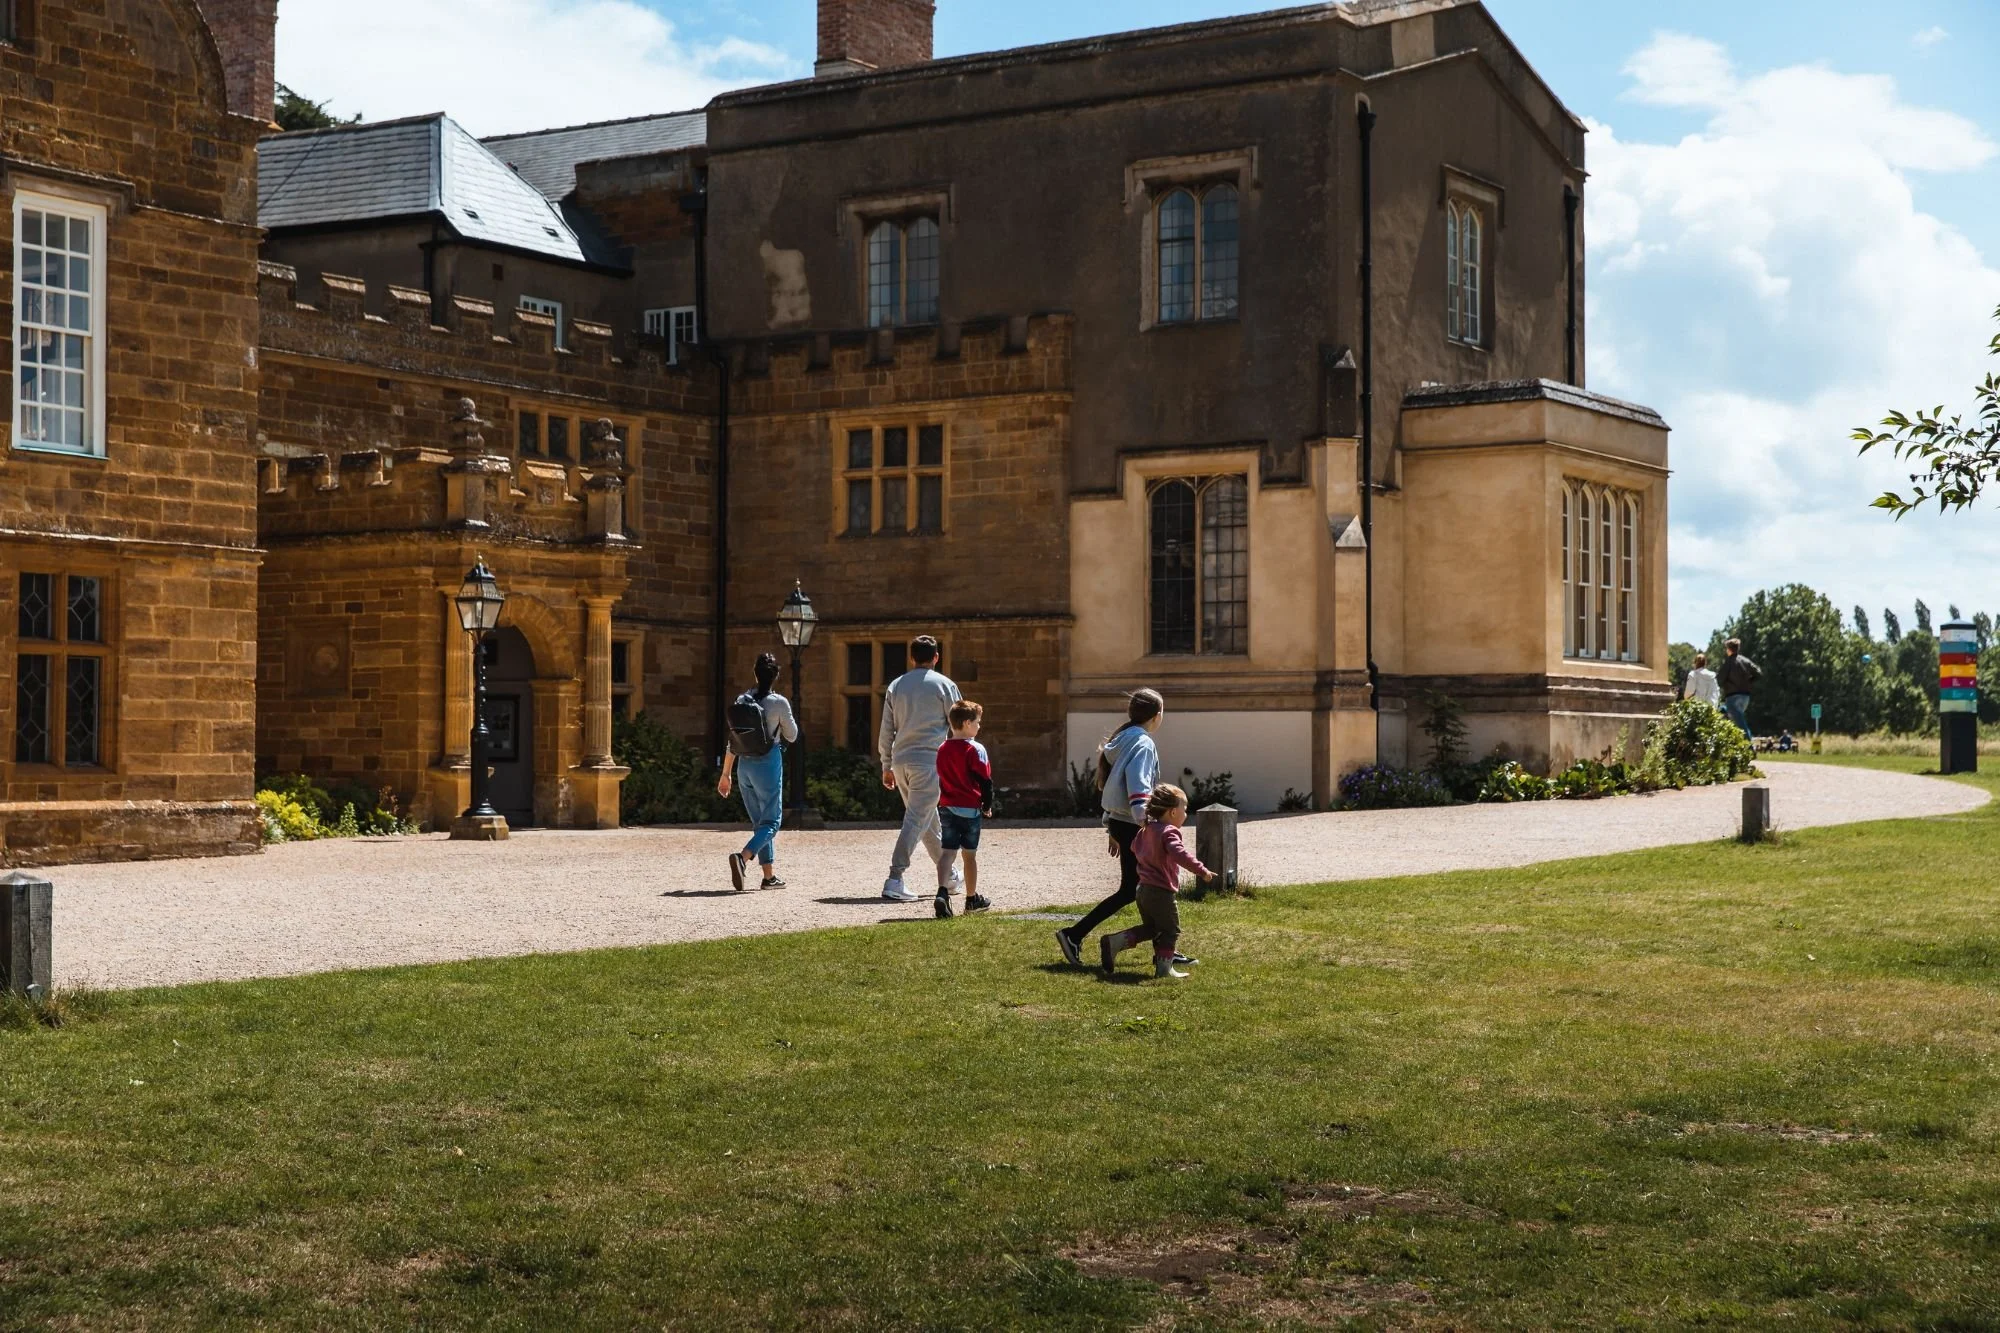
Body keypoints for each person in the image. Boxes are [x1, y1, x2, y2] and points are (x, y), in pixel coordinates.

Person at [1054, 688, 1175, 967]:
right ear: (1157, 716)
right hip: (1134, 824)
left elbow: (1113, 787)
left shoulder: (1122, 738)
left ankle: (1164, 948)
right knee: (1141, 889)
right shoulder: (1142, 743)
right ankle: (1074, 934)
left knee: (1142, 889)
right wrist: (1148, 826)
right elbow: (1137, 786)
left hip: (1122, 823)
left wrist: (1112, 826)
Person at [878, 635, 962, 903]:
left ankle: (948, 877)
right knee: (917, 820)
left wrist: (885, 764)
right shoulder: (945, 685)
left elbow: (886, 730)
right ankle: (895, 877)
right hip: (930, 762)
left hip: (901, 761)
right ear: (936, 657)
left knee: (925, 821)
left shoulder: (896, 685)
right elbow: (959, 727)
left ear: (912, 657)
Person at [1100, 783, 1212, 981]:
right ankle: (1164, 969)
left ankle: (1116, 941)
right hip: (1161, 891)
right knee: (1170, 930)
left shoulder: (1146, 830)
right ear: (1172, 812)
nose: (1186, 813)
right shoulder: (1169, 831)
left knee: (1153, 929)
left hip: (1142, 889)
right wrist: (1201, 870)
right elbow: (1180, 854)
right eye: (1184, 809)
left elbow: (1134, 848)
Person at [715, 652, 799, 891]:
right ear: (775, 677)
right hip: (767, 764)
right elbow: (792, 735)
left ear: (755, 674)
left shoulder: (742, 700)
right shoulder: (779, 702)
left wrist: (725, 773)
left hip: (744, 767)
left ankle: (769, 877)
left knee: (759, 822)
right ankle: (743, 858)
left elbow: (733, 740)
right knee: (772, 822)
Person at [934, 700, 995, 919]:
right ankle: (971, 899)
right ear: (968, 723)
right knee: (969, 856)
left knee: (947, 851)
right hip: (970, 808)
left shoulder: (942, 748)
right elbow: (985, 782)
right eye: (977, 722)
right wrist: (987, 806)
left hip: (947, 806)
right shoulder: (975, 749)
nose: (979, 727)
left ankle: (942, 892)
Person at [1717, 638, 1761, 741]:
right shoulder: (1746, 661)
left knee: (1740, 723)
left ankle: (1750, 746)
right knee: (1735, 721)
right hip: (1745, 697)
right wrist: (1750, 681)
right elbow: (1758, 673)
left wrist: (1725, 684)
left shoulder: (1729, 662)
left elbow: (1720, 679)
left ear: (1729, 649)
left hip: (1732, 696)